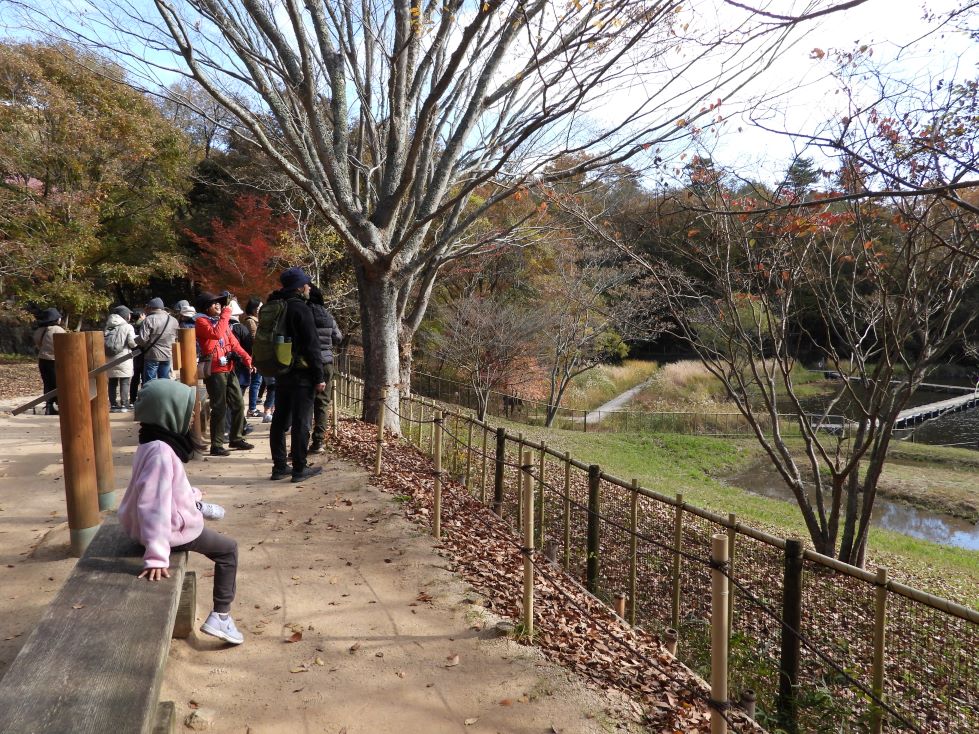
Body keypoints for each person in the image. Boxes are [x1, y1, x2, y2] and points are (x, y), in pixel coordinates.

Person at [117, 379, 243, 645]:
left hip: (161, 524)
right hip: (171, 533)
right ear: (170, 413)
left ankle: (196, 506)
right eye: (189, 412)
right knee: (228, 550)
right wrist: (156, 557)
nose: (193, 417)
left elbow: (168, 490)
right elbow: (154, 506)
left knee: (198, 508)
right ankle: (221, 616)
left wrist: (192, 496)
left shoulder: (151, 443)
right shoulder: (162, 453)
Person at [268, 267, 325, 482]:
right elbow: (312, 346)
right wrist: (319, 376)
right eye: (307, 283)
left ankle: (279, 466)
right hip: (301, 373)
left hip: (281, 371)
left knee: (280, 418)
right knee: (301, 421)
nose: (309, 286)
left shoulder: (276, 305)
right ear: (300, 286)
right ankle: (300, 468)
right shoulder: (300, 308)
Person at [194, 292, 254, 457]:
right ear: (206, 307)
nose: (218, 306)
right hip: (214, 370)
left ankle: (236, 437)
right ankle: (217, 444)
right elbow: (216, 334)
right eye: (214, 304)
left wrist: (247, 359)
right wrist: (226, 315)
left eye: (218, 303)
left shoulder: (222, 322)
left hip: (229, 367)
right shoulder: (201, 321)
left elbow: (233, 343)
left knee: (239, 404)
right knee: (219, 407)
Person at [307, 286, 343, 454]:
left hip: (306, 363)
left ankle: (302, 439)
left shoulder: (304, 313)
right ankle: (318, 441)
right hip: (326, 363)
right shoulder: (328, 316)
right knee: (322, 403)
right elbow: (338, 337)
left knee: (305, 402)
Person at [104, 305, 138, 412]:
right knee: (125, 381)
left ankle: (113, 405)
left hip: (109, 359)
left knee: (112, 382)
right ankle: (124, 404)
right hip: (124, 358)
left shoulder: (108, 326)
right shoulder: (128, 327)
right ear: (125, 315)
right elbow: (132, 344)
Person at [137, 297, 179, 383]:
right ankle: (163, 396)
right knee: (164, 381)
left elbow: (142, 340)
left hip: (152, 355)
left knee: (150, 382)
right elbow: (177, 338)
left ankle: (150, 396)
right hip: (167, 354)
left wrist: (134, 340)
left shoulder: (148, 320)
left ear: (151, 308)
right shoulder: (173, 320)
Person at [33, 307, 65, 415]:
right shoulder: (58, 330)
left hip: (42, 360)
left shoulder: (39, 331)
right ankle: (62, 406)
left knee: (48, 383)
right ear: (56, 319)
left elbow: (38, 344)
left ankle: (49, 406)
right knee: (59, 383)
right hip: (55, 360)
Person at [242, 298, 264, 417]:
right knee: (255, 382)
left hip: (255, 354)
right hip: (253, 355)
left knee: (256, 381)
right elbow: (255, 338)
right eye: (259, 307)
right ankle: (252, 409)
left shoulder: (255, 320)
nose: (261, 309)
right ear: (254, 309)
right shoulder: (251, 321)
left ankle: (252, 407)